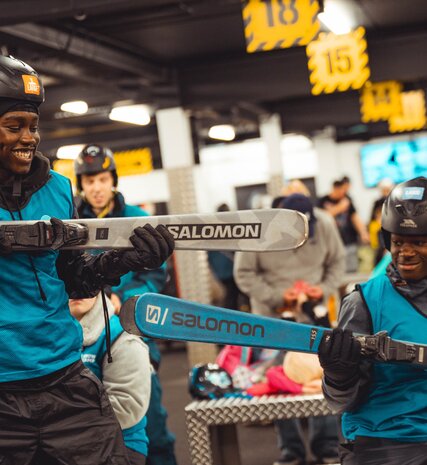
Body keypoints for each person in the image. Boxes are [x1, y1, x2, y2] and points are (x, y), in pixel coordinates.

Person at [0, 55, 174, 464]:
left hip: (64, 378)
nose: (29, 138)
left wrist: (125, 260)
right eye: (14, 126)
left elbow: (74, 278)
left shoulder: (57, 189)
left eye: (33, 125)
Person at [74, 145, 178, 465]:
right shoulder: (71, 221)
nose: (96, 188)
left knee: (151, 422)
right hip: (80, 332)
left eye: (102, 179)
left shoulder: (138, 220)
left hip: (130, 326)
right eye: (89, 181)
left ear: (113, 180)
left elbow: (156, 276)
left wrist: (124, 298)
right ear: (81, 185)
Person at [319, 176, 427, 465]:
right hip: (387, 440)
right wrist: (338, 375)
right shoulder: (364, 303)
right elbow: (341, 401)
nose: (405, 252)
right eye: (398, 241)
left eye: (418, 242)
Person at [234, 193, 346, 465]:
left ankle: (327, 447)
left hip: (313, 315)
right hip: (272, 319)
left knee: (320, 378)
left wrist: (324, 289)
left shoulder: (325, 223)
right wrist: (278, 297)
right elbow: (244, 274)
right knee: (280, 381)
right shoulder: (258, 230)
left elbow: (338, 263)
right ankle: (291, 451)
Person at [71, 291, 151, 464]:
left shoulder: (121, 336)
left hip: (119, 445)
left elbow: (127, 405)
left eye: (86, 284)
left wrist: (64, 427)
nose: (77, 291)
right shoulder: (41, 339)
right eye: (68, 283)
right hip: (63, 446)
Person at [318, 179, 370, 273]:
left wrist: (363, 232)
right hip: (331, 242)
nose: (344, 193)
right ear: (335, 188)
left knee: (352, 268)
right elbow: (322, 217)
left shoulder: (347, 199)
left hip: (349, 240)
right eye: (342, 190)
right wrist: (340, 208)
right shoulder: (323, 201)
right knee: (335, 270)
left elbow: (355, 217)